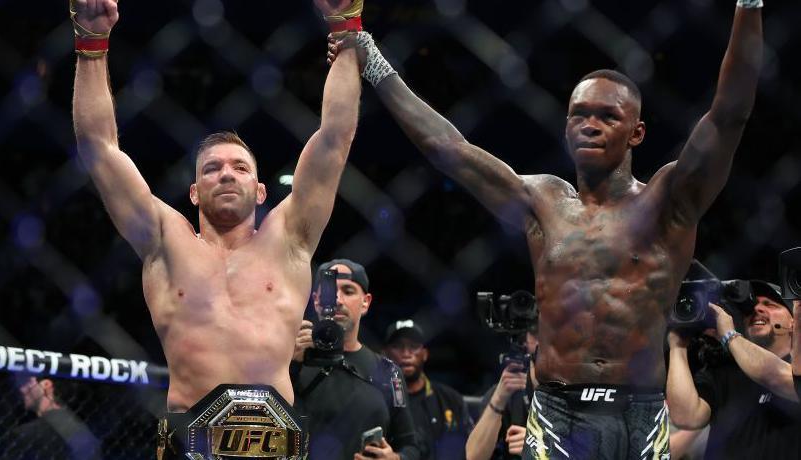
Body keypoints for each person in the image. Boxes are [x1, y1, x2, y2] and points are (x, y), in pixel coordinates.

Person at [328, 0, 763, 457]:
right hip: (557, 411)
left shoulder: (667, 202)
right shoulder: (542, 202)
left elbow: (729, 115)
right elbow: (449, 148)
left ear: (636, 133)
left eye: (607, 117)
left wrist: (748, 5)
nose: (590, 126)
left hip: (641, 412)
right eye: (580, 115)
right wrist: (371, 59)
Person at [69, 0, 361, 417]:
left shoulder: (290, 239)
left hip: (271, 441)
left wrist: (346, 24)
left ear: (261, 191)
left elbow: (335, 137)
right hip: (189, 439)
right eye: (212, 169)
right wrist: (91, 40)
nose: (226, 175)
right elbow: (98, 150)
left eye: (240, 168)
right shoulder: (163, 241)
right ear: (193, 193)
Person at [291, 259, 421, 460]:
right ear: (316, 300)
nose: (338, 300)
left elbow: (411, 446)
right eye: (329, 293)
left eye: (348, 291)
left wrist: (395, 458)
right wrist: (290, 366)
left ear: (365, 302)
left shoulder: (389, 372)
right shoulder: (288, 361)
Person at [666, 280, 801, 459]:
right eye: (751, 308)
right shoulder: (725, 370)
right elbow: (686, 417)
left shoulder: (794, 371)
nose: (757, 309)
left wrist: (730, 336)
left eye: (770, 304)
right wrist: (678, 346)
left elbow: (774, 375)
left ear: (793, 321)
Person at [383, 319, 473, 460]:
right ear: (385, 354)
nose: (406, 353)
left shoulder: (451, 399)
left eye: (413, 346)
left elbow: (472, 449)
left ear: (424, 354)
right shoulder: (376, 400)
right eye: (398, 346)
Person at [468, 332, 538, 460]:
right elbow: (473, 457)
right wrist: (499, 398)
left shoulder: (580, 387)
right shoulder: (507, 390)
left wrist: (541, 448)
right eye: (537, 334)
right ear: (524, 341)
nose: (542, 343)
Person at [7, 376, 101, 460]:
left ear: (46, 384)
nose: (22, 390)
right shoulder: (88, 434)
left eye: (28, 383)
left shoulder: (25, 434)